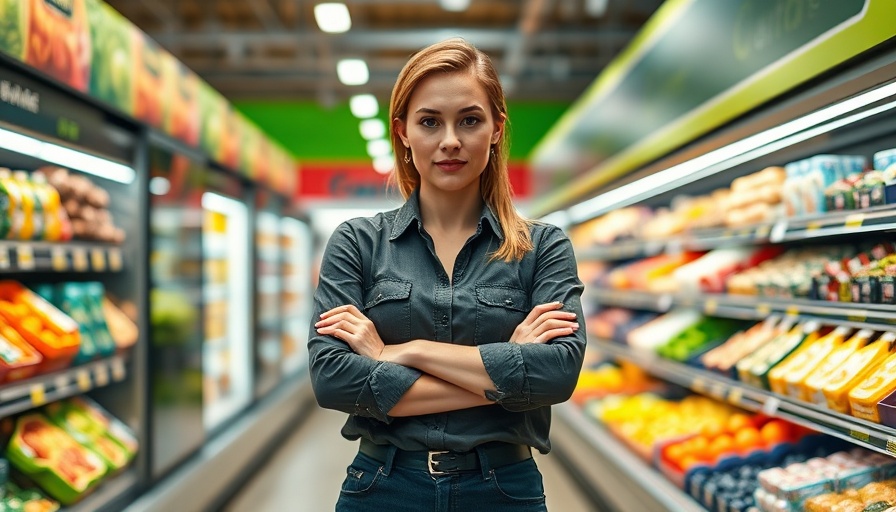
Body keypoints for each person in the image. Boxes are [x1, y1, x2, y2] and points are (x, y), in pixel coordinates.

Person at [308, 38, 586, 512]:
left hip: (504, 492)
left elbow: (557, 374)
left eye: (470, 120)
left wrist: (402, 352)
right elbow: (333, 378)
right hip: (382, 488)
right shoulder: (357, 242)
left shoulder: (544, 247)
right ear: (403, 132)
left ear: (497, 129)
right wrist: (507, 371)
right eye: (430, 121)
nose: (450, 140)